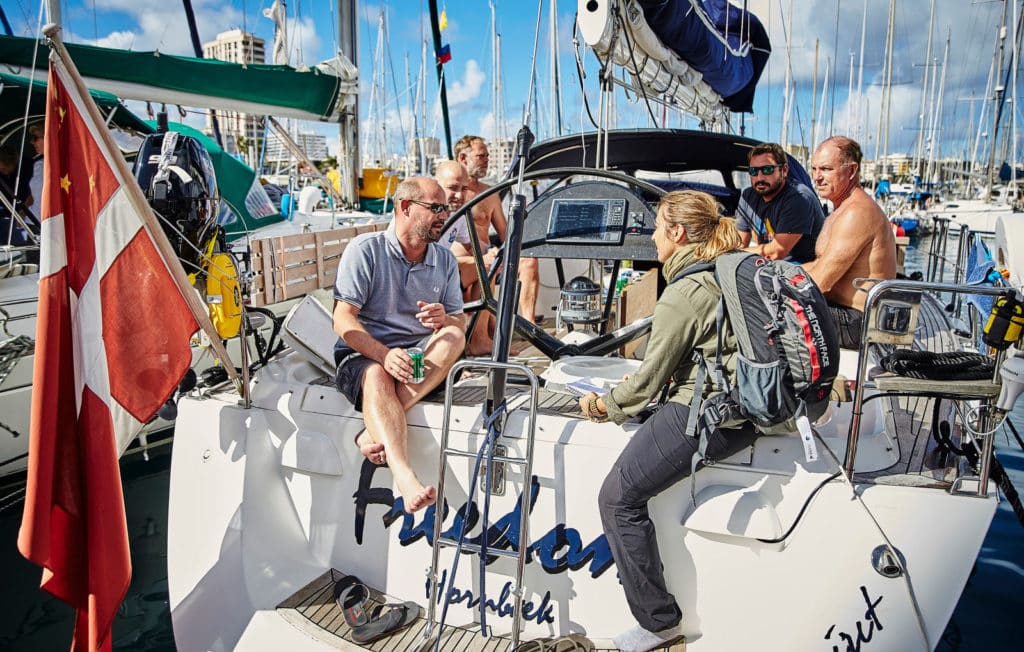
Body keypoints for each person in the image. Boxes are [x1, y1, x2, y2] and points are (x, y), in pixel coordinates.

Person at [578, 190, 759, 652]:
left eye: (658, 229)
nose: (653, 237)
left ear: (677, 233)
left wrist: (600, 407)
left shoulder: (684, 292)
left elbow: (643, 387)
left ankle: (658, 624)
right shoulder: (731, 266)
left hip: (711, 410)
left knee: (618, 498)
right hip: (750, 407)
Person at [332, 176, 466, 512]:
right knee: (376, 374)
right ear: (405, 207)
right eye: (435, 208)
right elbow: (343, 319)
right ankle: (405, 477)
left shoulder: (445, 259)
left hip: (417, 355)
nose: (443, 215)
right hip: (363, 353)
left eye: (445, 209)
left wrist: (444, 319)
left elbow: (458, 322)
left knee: (454, 336)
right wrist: (384, 354)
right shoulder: (366, 250)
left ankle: (373, 432)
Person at [802, 136, 896, 349]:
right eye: (814, 169)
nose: (817, 177)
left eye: (826, 169)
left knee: (765, 309)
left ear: (852, 171)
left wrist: (772, 287)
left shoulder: (857, 212)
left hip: (858, 322)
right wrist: (780, 271)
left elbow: (820, 281)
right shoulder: (842, 209)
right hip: (844, 313)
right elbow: (819, 265)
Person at [455, 134, 543, 324]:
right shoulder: (451, 193)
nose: (487, 160)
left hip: (490, 256)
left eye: (488, 156)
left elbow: (505, 234)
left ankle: (529, 325)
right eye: (481, 156)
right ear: (463, 158)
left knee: (529, 262)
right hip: (462, 260)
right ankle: (481, 334)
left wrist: (510, 255)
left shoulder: (490, 193)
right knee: (485, 267)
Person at [435, 159, 498, 355]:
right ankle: (453, 353)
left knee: (487, 267)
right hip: (421, 275)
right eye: (452, 188)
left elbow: (472, 245)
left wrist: (492, 253)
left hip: (444, 271)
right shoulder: (425, 213)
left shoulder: (458, 215)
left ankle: (479, 340)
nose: (459, 195)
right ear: (436, 185)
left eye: (463, 189)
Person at [735, 142, 824, 264]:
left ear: (784, 170)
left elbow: (776, 252)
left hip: (801, 271)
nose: (760, 178)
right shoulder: (748, 197)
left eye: (767, 170)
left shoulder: (799, 198)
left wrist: (733, 255)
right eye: (754, 171)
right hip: (768, 266)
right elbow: (740, 242)